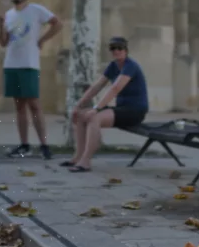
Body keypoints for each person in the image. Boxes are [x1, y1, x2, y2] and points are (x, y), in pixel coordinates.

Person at [61, 36, 148, 173]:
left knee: (95, 117)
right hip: (121, 109)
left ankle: (86, 162)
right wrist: (78, 106)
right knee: (81, 116)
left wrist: (96, 109)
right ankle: (77, 156)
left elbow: (115, 88)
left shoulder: (130, 66)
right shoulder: (113, 66)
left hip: (135, 111)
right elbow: (96, 87)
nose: (116, 51)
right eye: (113, 48)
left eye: (120, 48)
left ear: (125, 50)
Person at [0, 0, 61, 159]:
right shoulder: (9, 15)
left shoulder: (36, 10)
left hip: (29, 64)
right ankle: (24, 144)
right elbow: (4, 43)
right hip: (12, 64)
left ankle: (44, 145)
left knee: (34, 104)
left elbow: (57, 23)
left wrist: (42, 40)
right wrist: (1, 26)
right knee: (19, 106)